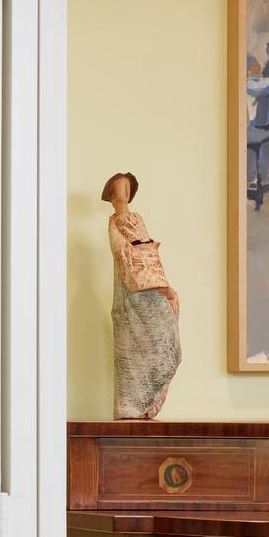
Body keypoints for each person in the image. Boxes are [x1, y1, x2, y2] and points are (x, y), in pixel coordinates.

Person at [105, 172, 179, 420]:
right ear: (113, 195)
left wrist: (159, 281)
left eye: (127, 188)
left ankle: (147, 403)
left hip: (152, 284)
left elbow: (146, 248)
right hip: (134, 290)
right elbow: (124, 255)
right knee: (131, 345)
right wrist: (145, 273)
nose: (125, 193)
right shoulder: (114, 222)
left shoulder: (137, 218)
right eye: (120, 188)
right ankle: (131, 406)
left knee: (165, 342)